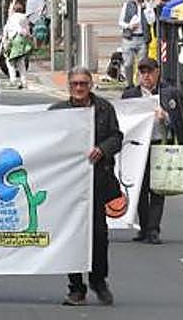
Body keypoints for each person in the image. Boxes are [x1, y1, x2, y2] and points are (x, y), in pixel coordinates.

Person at [50, 67, 122, 306]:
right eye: (75, 84)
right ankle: (76, 287)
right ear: (68, 86)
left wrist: (102, 149)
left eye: (83, 83)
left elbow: (117, 137)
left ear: (90, 85)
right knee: (70, 234)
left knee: (99, 235)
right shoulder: (57, 112)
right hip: (68, 185)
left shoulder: (104, 109)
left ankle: (98, 280)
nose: (79, 88)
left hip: (97, 182)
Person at [121, 57, 183, 244]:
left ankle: (153, 230)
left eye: (149, 72)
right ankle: (144, 228)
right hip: (138, 149)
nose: (146, 76)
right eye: (142, 72)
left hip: (161, 145)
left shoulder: (170, 93)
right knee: (140, 189)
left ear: (157, 72)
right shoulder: (130, 95)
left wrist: (166, 118)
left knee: (158, 189)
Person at [117, 0, 149, 87]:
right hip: (129, 38)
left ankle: (139, 85)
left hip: (142, 38)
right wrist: (129, 26)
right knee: (128, 63)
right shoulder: (128, 5)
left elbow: (151, 20)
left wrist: (147, 9)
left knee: (142, 65)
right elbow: (120, 22)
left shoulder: (147, 6)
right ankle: (129, 84)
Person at [1, 1, 32, 89]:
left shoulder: (11, 18)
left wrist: (4, 42)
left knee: (10, 61)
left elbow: (6, 30)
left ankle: (13, 80)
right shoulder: (24, 17)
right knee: (20, 62)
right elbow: (27, 30)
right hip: (22, 41)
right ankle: (23, 81)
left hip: (13, 41)